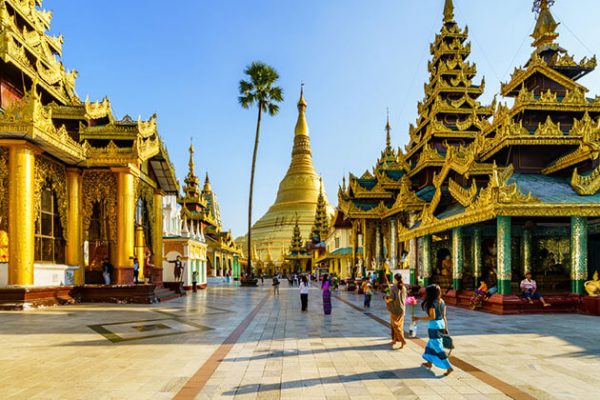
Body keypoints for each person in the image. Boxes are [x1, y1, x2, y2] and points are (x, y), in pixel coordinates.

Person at [413, 284, 453, 376]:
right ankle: (429, 362)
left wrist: (418, 318)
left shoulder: (432, 303)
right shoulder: (442, 301)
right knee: (431, 344)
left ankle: (448, 367)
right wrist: (446, 328)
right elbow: (444, 316)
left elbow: (432, 317)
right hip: (441, 324)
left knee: (437, 347)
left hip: (434, 325)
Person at [385, 273, 407, 350]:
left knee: (396, 326)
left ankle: (403, 341)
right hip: (402, 309)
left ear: (395, 279)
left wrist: (386, 299)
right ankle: (394, 340)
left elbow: (391, 298)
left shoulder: (394, 287)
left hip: (395, 309)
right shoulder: (403, 287)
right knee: (399, 326)